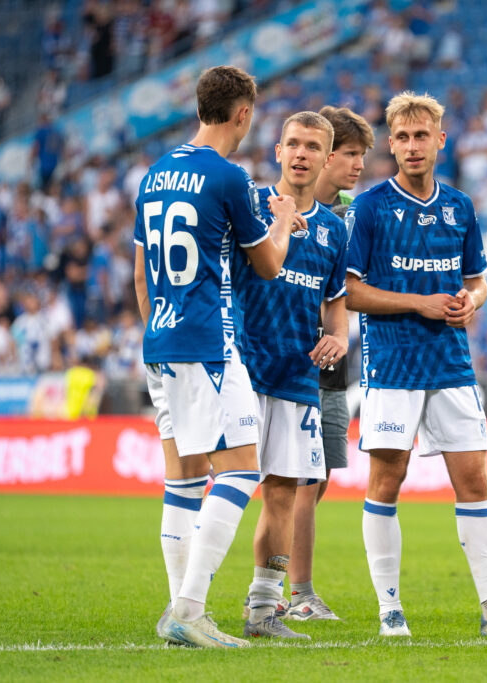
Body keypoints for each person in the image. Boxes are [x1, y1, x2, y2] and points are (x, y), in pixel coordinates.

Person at [344, 91, 487, 638]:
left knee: (475, 479)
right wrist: (421, 304)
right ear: (391, 145)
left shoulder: (461, 207)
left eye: (421, 136)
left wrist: (470, 302)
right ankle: (390, 611)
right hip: (392, 365)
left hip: (452, 363)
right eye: (402, 137)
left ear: (440, 140)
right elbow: (351, 292)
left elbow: (478, 281)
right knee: (387, 479)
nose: (412, 146)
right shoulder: (368, 208)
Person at [132, 65, 297, 648]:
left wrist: (160, 330)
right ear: (243, 114)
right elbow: (269, 265)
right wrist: (282, 221)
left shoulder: (155, 174)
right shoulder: (228, 177)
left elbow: (141, 273)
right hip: (207, 343)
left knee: (182, 480)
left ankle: (178, 610)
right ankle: (189, 609)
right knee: (242, 469)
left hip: (160, 341)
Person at [237, 111, 349, 639]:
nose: (302, 154)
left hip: (298, 380)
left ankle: (263, 610)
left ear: (327, 159)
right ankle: (187, 602)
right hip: (241, 372)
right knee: (225, 487)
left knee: (282, 494)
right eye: (294, 144)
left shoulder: (334, 229)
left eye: (313, 147)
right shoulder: (250, 207)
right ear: (278, 151)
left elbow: (336, 303)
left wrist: (339, 337)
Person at [270, 105, 374, 622]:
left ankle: (284, 588)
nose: (358, 165)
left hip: (332, 365)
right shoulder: (282, 211)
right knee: (299, 482)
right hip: (287, 361)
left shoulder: (350, 215)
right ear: (328, 157)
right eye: (350, 154)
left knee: (320, 476)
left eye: (362, 155)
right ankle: (296, 592)